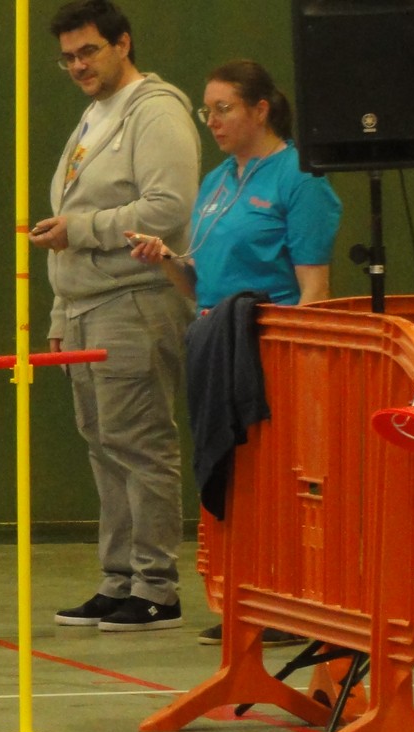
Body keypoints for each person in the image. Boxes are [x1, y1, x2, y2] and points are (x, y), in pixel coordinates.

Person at [128, 59, 342, 645]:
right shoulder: (218, 181)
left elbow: (315, 289)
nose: (213, 121)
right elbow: (198, 284)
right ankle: (252, 597)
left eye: (223, 109)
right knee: (240, 479)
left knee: (283, 479)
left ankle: (294, 602)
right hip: (216, 345)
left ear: (260, 109)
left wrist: (301, 367)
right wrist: (165, 259)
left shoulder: (300, 179)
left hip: (272, 348)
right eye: (208, 111)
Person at [33, 0, 200, 632]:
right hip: (83, 305)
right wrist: (60, 311)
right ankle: (119, 578)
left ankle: (157, 588)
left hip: (134, 301)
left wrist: (81, 230)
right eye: (68, 58)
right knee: (103, 446)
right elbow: (66, 218)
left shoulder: (155, 111)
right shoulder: (92, 116)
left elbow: (167, 208)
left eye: (89, 52)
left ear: (122, 43)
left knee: (140, 443)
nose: (78, 65)